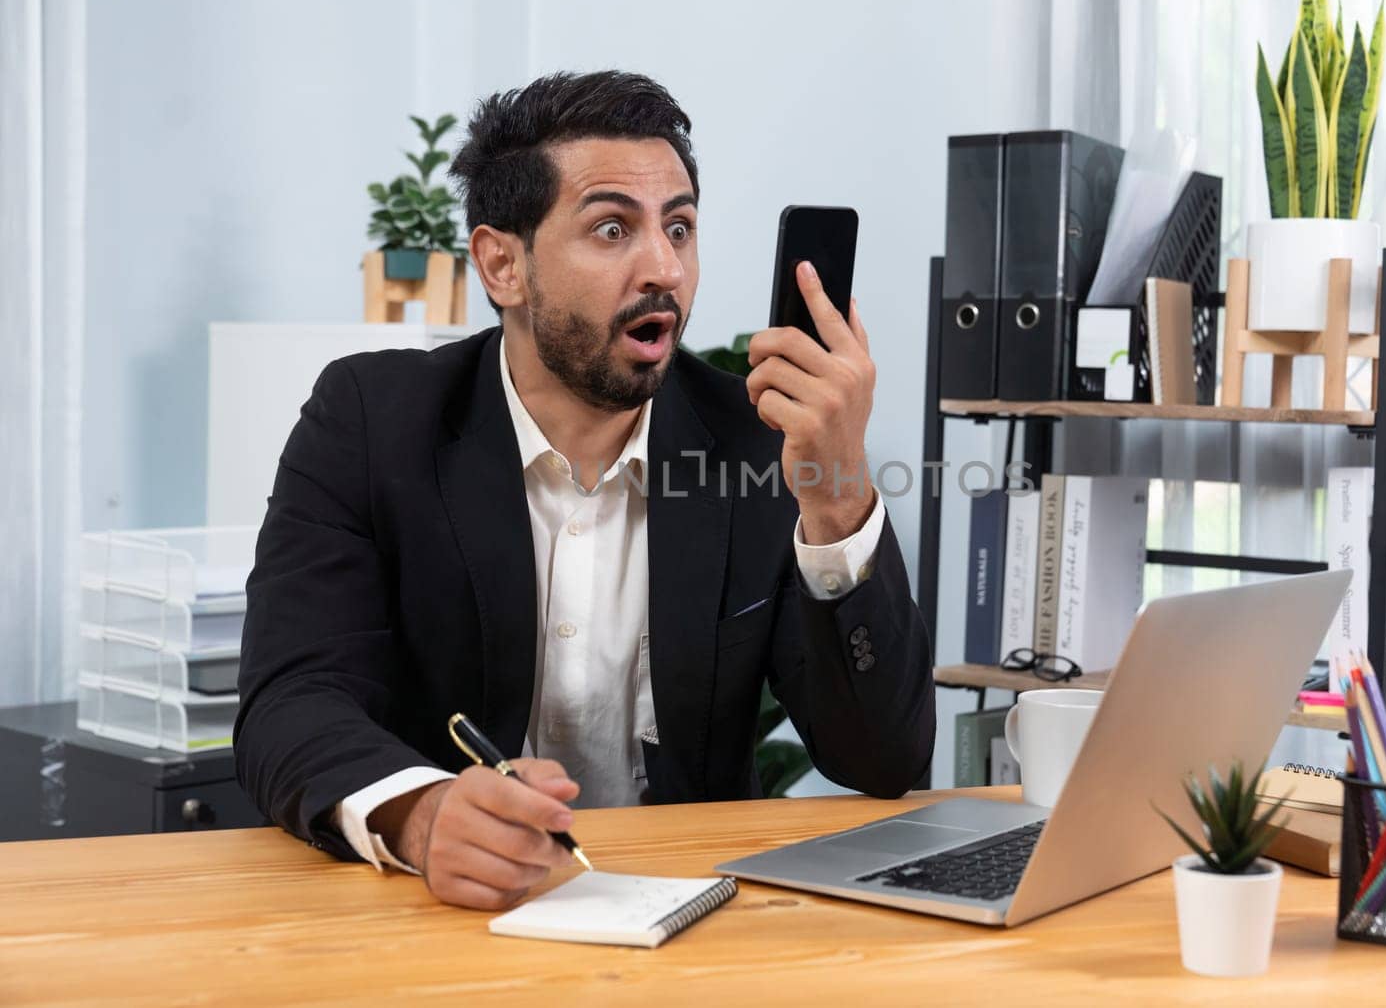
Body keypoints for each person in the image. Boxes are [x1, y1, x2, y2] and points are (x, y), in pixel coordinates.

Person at [235, 70, 935, 910]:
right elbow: (290, 700)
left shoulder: (760, 448)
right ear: (503, 264)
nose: (664, 267)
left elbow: (885, 758)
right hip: (440, 915)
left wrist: (836, 494)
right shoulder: (369, 421)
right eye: (612, 229)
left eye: (680, 228)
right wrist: (424, 815)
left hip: (687, 917)